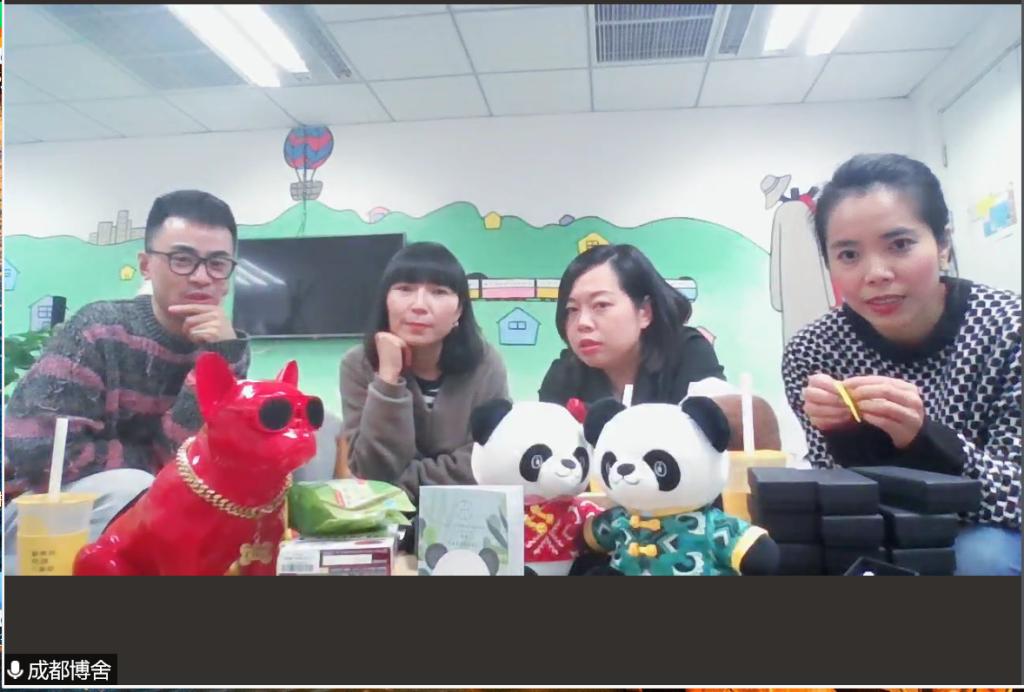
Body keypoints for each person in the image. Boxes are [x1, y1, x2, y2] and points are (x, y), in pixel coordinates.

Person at [782, 153, 1021, 575]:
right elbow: (840, 504)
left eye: (900, 245)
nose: (876, 273)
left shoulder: (1009, 329)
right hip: (878, 528)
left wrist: (924, 439)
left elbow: (1015, 498)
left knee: (980, 559)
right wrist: (845, 437)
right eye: (849, 254)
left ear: (943, 244)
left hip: (988, 532)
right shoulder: (813, 350)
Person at [4, 189, 250, 570]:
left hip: (153, 506)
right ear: (146, 266)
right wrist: (153, 467)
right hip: (42, 515)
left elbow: (198, 465)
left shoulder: (224, 348)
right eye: (182, 260)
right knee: (136, 487)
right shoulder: (99, 329)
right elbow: (35, 449)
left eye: (217, 264)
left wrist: (218, 361)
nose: (202, 277)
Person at [340, 241, 508, 502]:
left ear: (459, 311)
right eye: (405, 289)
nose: (419, 305)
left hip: (467, 508)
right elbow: (371, 469)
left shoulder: (485, 364)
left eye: (438, 292)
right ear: (386, 301)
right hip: (386, 518)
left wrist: (399, 484)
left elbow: (490, 456)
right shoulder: (358, 364)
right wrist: (388, 379)